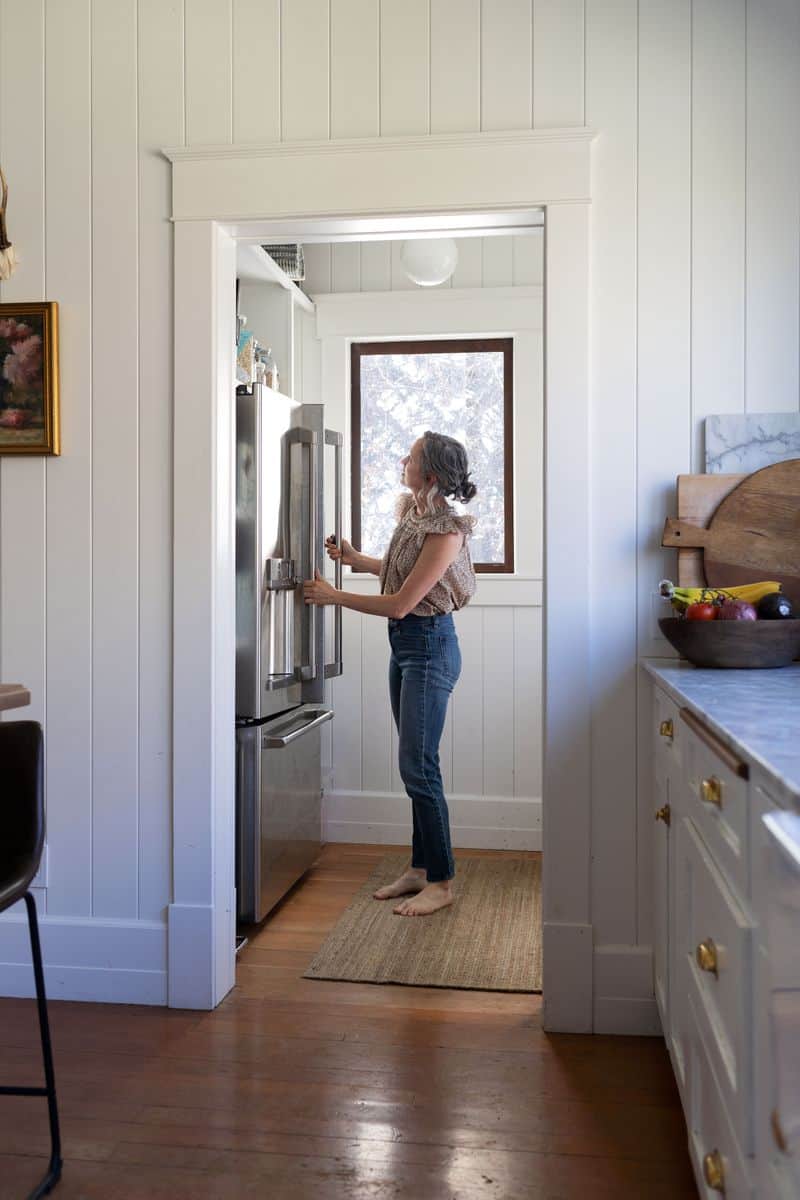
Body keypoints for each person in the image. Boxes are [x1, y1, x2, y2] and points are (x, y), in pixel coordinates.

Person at [303, 430, 478, 917]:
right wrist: (357, 560)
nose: (402, 459)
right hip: (407, 648)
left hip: (429, 646)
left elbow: (402, 603)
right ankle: (421, 870)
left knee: (418, 767)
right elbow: (405, 572)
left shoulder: (448, 529)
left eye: (412, 456)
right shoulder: (416, 514)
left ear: (431, 474)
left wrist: (333, 596)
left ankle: (442, 883)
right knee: (416, 765)